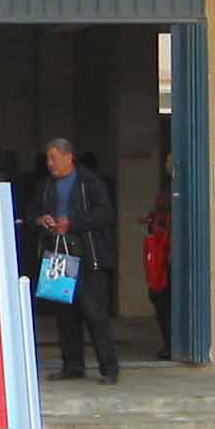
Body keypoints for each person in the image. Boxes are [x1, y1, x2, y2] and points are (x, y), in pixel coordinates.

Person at [30, 137, 120, 384]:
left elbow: (105, 214)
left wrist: (74, 223)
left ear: (68, 157)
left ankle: (109, 368)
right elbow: (31, 213)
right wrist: (41, 220)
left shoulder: (90, 182)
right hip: (59, 256)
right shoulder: (46, 186)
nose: (49, 164)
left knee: (95, 313)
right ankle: (72, 366)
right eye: (48, 159)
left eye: (54, 158)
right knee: (65, 315)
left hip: (88, 256)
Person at [140, 151, 174, 360]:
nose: (167, 164)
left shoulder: (178, 190)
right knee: (160, 296)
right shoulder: (169, 188)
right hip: (161, 248)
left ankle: (172, 344)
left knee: (164, 297)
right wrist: (152, 218)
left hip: (167, 250)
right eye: (167, 160)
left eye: (170, 160)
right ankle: (169, 343)